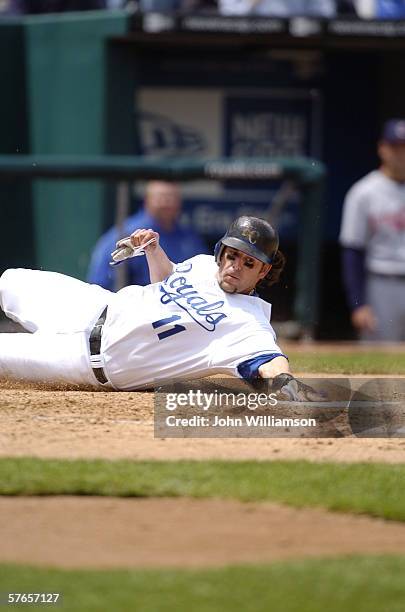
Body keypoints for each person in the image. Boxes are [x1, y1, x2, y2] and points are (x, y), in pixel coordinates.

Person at [0, 216, 316, 400]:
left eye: (249, 262)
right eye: (232, 255)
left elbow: (270, 362)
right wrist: (153, 249)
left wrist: (288, 387)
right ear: (221, 252)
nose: (236, 266)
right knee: (10, 279)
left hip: (87, 360)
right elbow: (166, 282)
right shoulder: (204, 265)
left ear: (263, 271)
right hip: (92, 305)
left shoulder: (249, 327)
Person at [339, 119, 405, 341]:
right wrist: (358, 303)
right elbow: (352, 249)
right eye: (396, 147)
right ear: (382, 149)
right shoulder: (364, 192)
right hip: (381, 283)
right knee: (380, 366)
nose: (401, 154)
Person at [87, 180, 207, 290]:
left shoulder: (188, 237)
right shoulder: (127, 232)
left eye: (171, 198)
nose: (166, 203)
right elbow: (101, 281)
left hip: (182, 303)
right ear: (147, 201)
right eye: (160, 198)